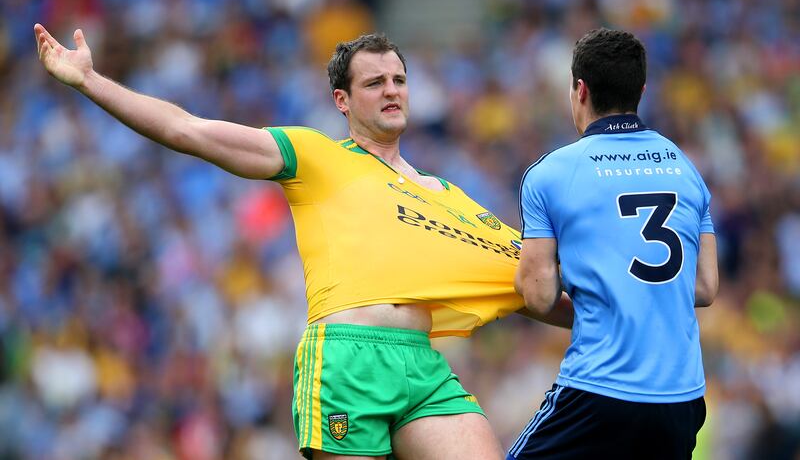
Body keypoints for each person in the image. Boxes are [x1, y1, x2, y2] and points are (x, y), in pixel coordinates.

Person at [35, 24, 572, 459]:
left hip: (422, 365)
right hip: (345, 361)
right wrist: (90, 81)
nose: (391, 90)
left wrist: (626, 314)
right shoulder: (314, 154)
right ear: (342, 99)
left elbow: (535, 288)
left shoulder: (448, 194)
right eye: (374, 83)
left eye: (399, 80)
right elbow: (188, 130)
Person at [508, 28, 719, 460]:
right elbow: (705, 287)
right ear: (640, 90)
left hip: (599, 389)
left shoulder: (550, 174)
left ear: (579, 90)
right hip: (682, 397)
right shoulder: (685, 167)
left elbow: (539, 294)